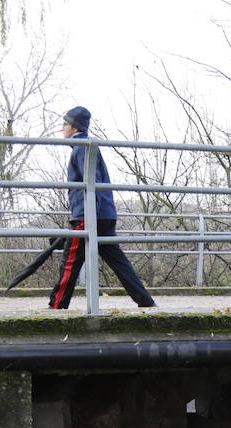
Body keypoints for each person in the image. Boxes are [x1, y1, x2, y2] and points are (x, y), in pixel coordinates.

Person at [48, 106, 156, 310]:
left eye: (64, 124)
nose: (62, 128)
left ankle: (57, 306)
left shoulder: (81, 148)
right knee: (118, 261)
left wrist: (90, 216)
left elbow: (91, 183)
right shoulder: (89, 147)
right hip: (105, 214)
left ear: (74, 127)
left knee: (70, 261)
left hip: (89, 216)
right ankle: (145, 301)